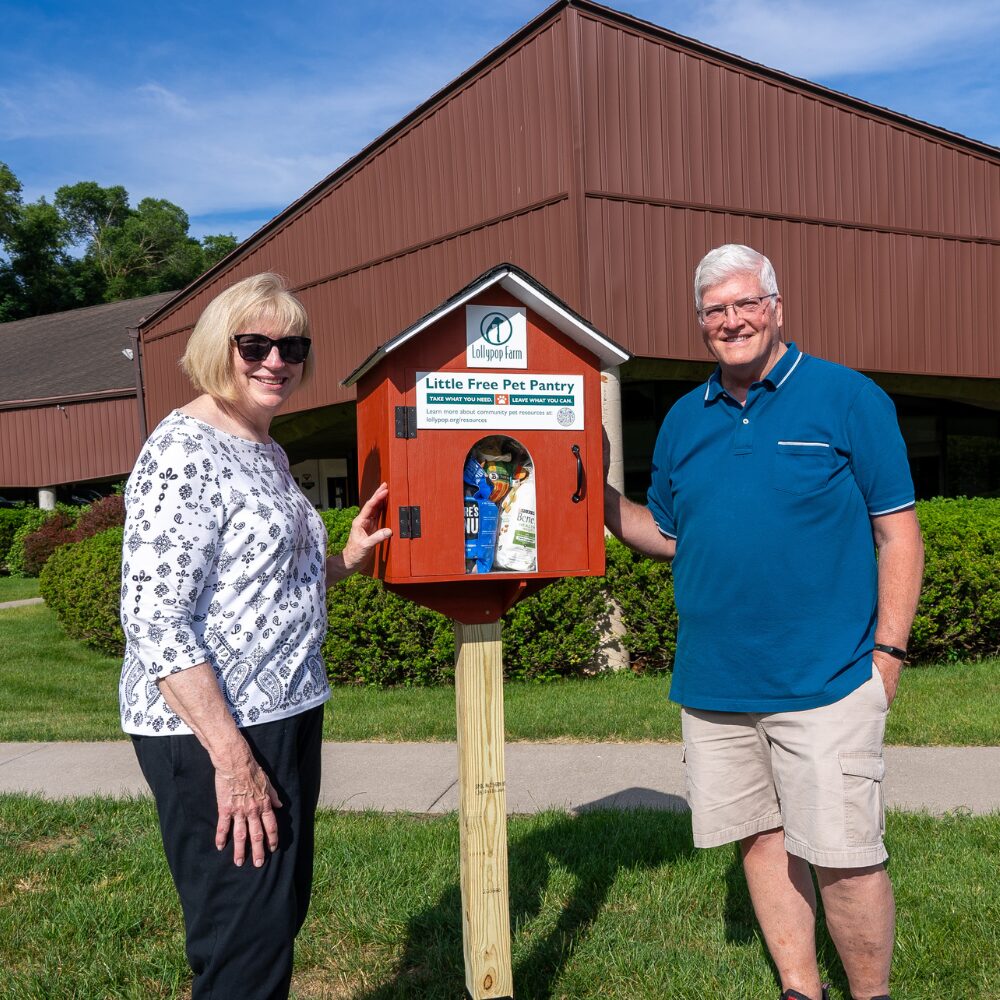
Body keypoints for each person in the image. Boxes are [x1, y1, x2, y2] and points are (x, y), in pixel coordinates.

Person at [604, 245, 924, 1000]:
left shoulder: (849, 398)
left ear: (776, 306)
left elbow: (898, 532)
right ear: (701, 325)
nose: (731, 320)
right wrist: (596, 497)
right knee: (761, 836)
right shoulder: (685, 418)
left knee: (845, 853)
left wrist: (889, 656)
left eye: (745, 303)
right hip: (717, 685)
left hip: (830, 678)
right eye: (715, 310)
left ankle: (870, 996)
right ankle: (799, 988)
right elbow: (670, 534)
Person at [119, 272, 391, 999]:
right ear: (220, 347)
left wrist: (345, 561)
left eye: (292, 345)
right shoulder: (185, 450)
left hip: (286, 712)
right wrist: (232, 757)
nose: (277, 359)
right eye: (256, 343)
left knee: (274, 918)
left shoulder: (262, 448)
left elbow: (265, 584)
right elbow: (153, 617)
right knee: (245, 940)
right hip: (217, 728)